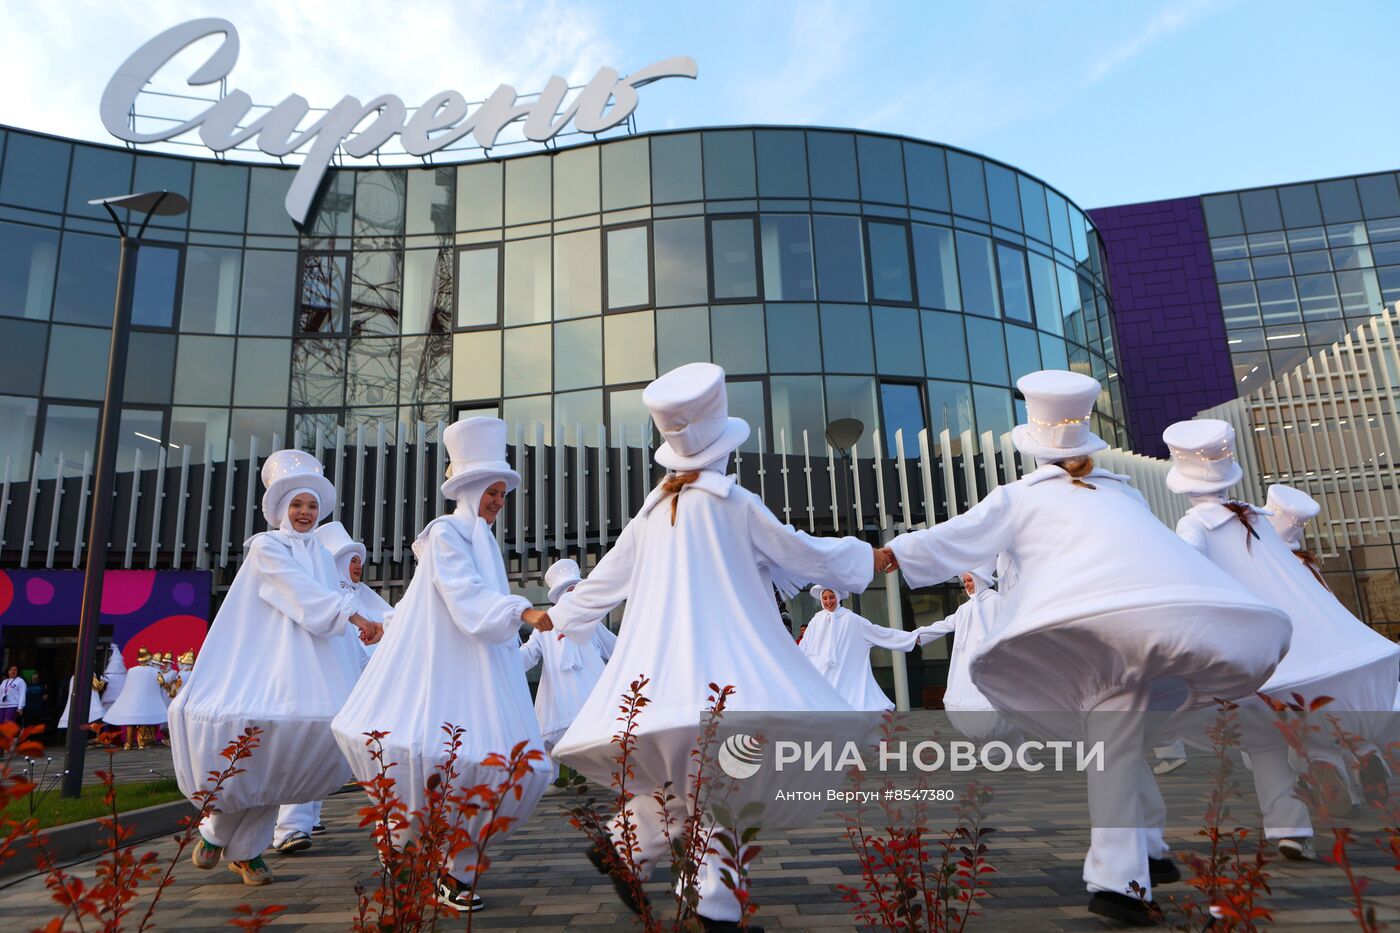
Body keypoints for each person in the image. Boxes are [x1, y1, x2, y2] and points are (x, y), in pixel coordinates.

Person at [873, 370, 1292, 926]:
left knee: (1113, 745)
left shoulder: (1020, 498)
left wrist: (889, 555)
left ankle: (1119, 880)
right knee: (1122, 741)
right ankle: (1150, 849)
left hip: (1100, 642)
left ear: (1032, 443)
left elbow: (954, 537)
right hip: (1157, 632)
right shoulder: (1124, 491)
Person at [545, 362, 876, 933]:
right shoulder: (734, 503)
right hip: (725, 676)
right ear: (722, 450)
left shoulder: (650, 516)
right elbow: (800, 553)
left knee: (699, 784)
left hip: (663, 683)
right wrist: (867, 557)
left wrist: (553, 617)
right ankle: (708, 900)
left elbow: (599, 586)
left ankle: (632, 846)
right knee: (722, 785)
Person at [333, 416, 553, 914]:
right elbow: (460, 593)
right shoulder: (447, 533)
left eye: (502, 494)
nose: (497, 502)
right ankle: (403, 844)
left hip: (481, 670)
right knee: (431, 754)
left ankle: (455, 869)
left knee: (487, 760)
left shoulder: (482, 539)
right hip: (444, 669)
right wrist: (521, 611)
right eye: (491, 492)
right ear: (470, 490)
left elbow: (450, 598)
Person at [1168, 422, 1400, 844]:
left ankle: (1291, 829)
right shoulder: (1255, 519)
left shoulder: (1194, 526)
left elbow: (1188, 571)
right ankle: (1351, 756)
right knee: (1317, 712)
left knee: (1264, 742)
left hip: (1255, 646)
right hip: (1309, 640)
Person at [169, 449, 382, 887]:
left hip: (308, 669)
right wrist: (354, 616)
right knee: (260, 746)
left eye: (311, 505)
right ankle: (217, 831)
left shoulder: (320, 553)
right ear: (282, 508)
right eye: (297, 504)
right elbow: (298, 591)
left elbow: (326, 596)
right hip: (264, 666)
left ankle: (244, 851)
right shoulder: (267, 547)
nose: (305, 513)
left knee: (281, 761)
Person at [272, 521, 391, 855]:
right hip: (321, 687)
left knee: (334, 754)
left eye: (358, 560)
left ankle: (310, 817)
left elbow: (391, 623)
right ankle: (291, 827)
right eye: (349, 559)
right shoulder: (323, 597)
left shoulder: (361, 595)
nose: (357, 566)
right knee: (311, 750)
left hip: (359, 691)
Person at [520, 558, 618, 793]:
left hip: (590, 686)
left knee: (600, 731)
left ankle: (612, 775)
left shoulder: (591, 622)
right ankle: (551, 779)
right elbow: (528, 655)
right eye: (568, 590)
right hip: (558, 689)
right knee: (552, 736)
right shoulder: (544, 627)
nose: (572, 595)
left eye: (575, 589)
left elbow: (615, 648)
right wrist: (504, 657)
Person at [913, 566, 1025, 747]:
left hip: (994, 665)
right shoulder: (965, 609)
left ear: (980, 579)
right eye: (964, 581)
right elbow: (946, 624)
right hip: (969, 667)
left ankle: (1007, 755)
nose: (967, 585)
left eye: (970, 580)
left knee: (1000, 714)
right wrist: (918, 635)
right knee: (984, 715)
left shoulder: (997, 601)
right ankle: (994, 752)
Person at [798, 585, 932, 712]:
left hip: (847, 677)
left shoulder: (852, 620)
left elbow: (879, 633)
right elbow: (804, 646)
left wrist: (911, 638)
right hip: (822, 677)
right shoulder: (816, 620)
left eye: (831, 597)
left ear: (838, 597)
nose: (828, 601)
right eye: (825, 598)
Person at [104, 648, 170, 749]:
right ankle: (141, 744)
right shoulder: (155, 671)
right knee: (142, 722)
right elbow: (161, 683)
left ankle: (128, 744)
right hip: (145, 700)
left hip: (133, 701)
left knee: (131, 723)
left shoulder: (132, 670)